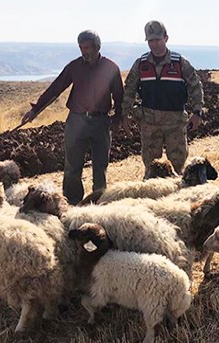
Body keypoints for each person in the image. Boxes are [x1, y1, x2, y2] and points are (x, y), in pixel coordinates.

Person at [20, 30, 124, 205]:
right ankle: (72, 203)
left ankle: (99, 202)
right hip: (76, 121)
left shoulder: (110, 68)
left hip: (101, 122)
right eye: (81, 48)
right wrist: (36, 109)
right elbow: (56, 89)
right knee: (72, 167)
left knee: (100, 166)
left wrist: (118, 118)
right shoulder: (74, 66)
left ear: (97, 47)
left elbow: (119, 96)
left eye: (88, 48)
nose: (85, 52)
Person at [122, 20, 204, 178]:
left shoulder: (179, 62)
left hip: (175, 124)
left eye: (157, 39)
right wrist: (125, 114)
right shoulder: (141, 63)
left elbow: (195, 86)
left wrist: (197, 112)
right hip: (149, 124)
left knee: (178, 166)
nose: (154, 44)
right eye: (150, 40)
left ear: (166, 38)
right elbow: (130, 89)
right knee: (151, 168)